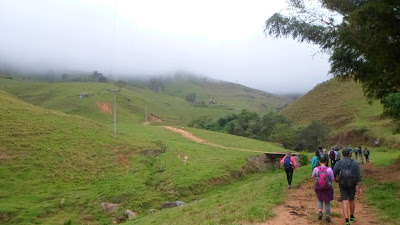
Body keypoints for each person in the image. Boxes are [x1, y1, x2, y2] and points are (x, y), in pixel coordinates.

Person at [333, 149, 362, 225]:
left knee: (344, 200)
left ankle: (346, 220)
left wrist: (336, 180)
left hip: (342, 184)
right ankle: (352, 216)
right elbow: (359, 176)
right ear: (350, 154)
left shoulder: (339, 163)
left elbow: (334, 173)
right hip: (352, 184)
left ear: (342, 155)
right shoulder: (355, 163)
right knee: (351, 200)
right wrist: (360, 187)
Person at [312, 154, 334, 223]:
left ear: (319, 161)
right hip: (327, 187)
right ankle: (327, 216)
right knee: (327, 202)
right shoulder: (329, 169)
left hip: (319, 187)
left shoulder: (316, 169)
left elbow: (313, 176)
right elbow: (332, 178)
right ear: (326, 162)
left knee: (320, 199)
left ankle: (320, 211)